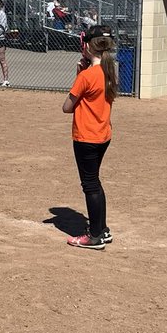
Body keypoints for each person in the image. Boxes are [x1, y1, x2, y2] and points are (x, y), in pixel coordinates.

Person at [61, 26, 118, 249]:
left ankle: (94, 236)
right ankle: (101, 230)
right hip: (103, 134)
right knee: (94, 182)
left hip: (86, 136)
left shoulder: (87, 75)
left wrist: (80, 75)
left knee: (90, 184)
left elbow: (67, 107)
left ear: (87, 46)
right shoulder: (109, 70)